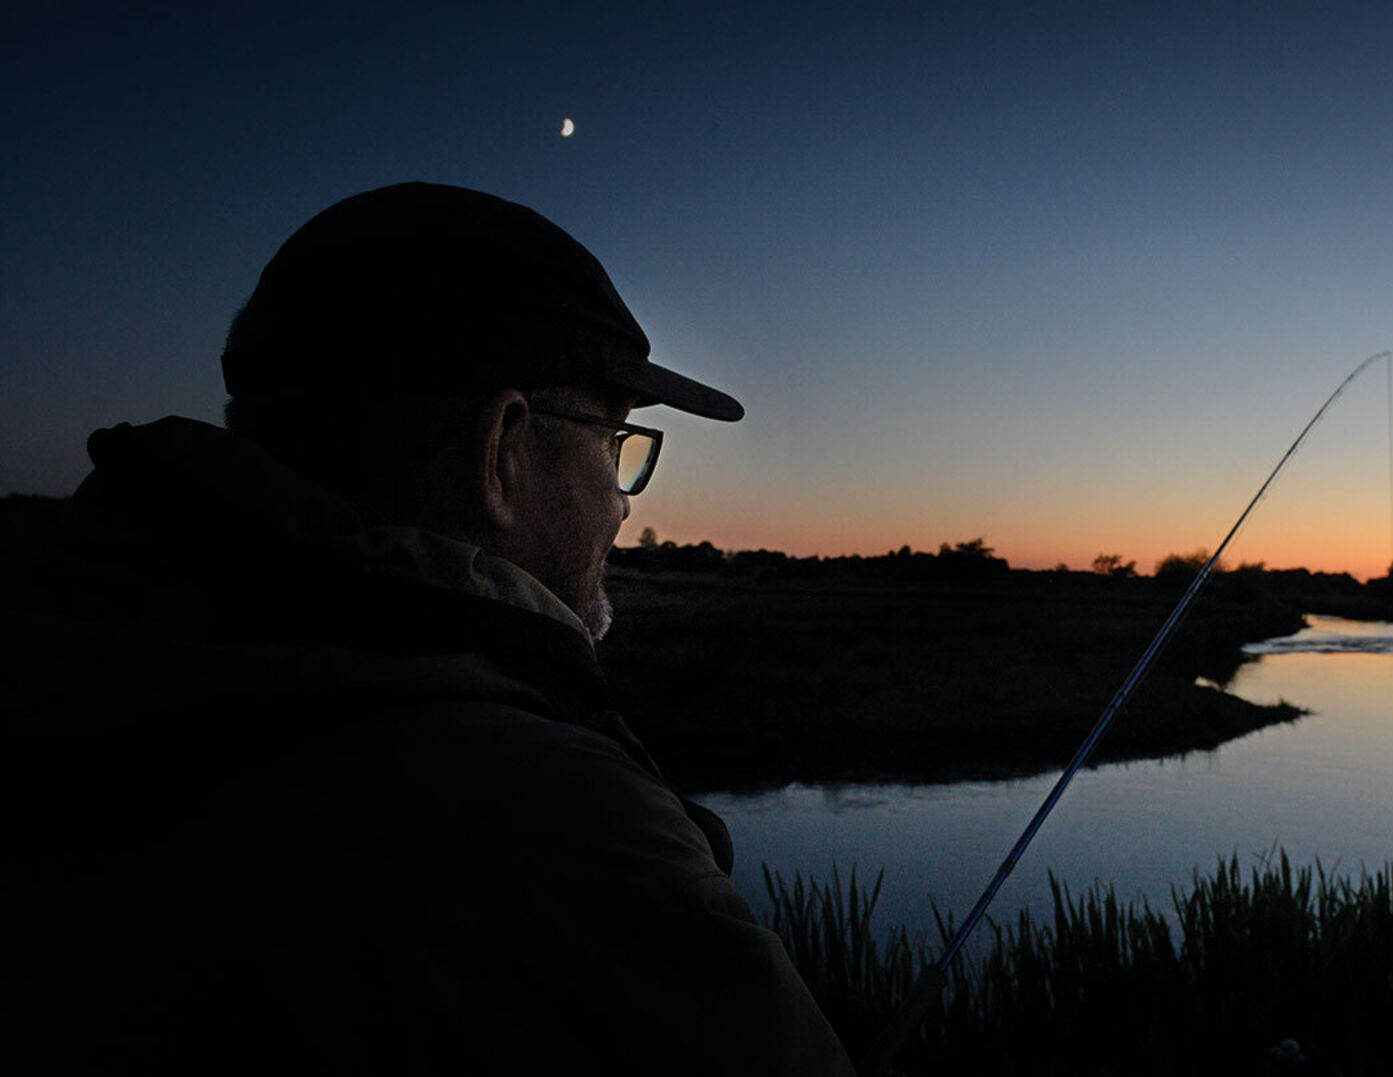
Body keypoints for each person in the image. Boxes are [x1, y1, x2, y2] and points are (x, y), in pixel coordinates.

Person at [0, 183, 855, 1074]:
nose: (622, 504)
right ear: (504, 449)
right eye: (615, 444)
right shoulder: (567, 831)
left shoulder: (63, 650)